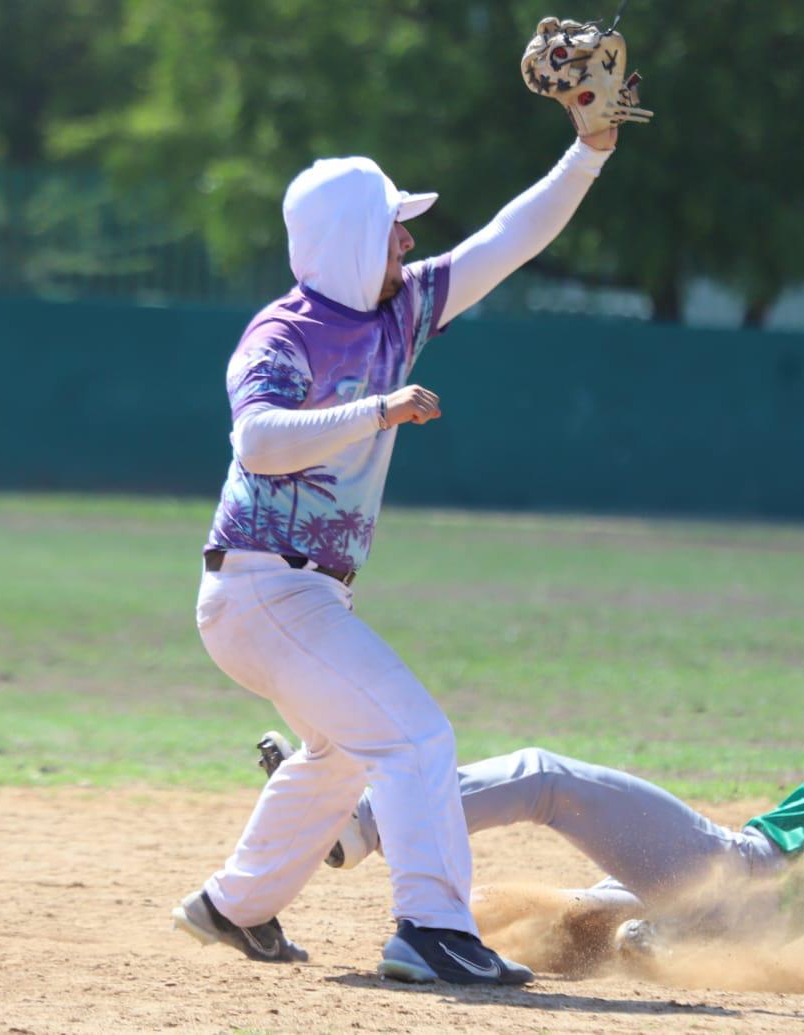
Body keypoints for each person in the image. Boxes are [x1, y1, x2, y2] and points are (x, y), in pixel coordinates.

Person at [265, 477, 804, 998]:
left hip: (735, 871)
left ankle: (359, 822)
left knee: (547, 776)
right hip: (757, 924)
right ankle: (657, 940)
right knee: (577, 924)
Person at [171, 123, 626, 987]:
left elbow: (507, 240)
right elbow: (258, 440)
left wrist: (587, 149)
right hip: (262, 589)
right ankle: (431, 927)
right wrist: (376, 410)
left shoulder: (400, 307)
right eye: (393, 225)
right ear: (350, 240)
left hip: (299, 598)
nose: (409, 239)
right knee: (418, 738)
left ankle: (234, 904)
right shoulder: (281, 335)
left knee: (344, 751)